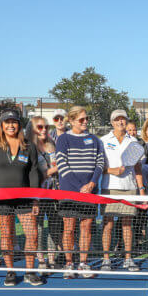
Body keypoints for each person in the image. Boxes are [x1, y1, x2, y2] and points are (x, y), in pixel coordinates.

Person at [0, 110, 43, 287]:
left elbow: (33, 174)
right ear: (1, 125)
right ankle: (10, 271)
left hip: (24, 200)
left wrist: (35, 199)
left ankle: (30, 272)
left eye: (14, 122)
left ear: (19, 124)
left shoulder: (29, 146)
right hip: (0, 199)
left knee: (32, 235)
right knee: (6, 236)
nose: (10, 125)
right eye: (7, 122)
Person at [56, 106, 104, 278]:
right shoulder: (63, 139)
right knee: (68, 228)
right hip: (69, 192)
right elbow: (62, 165)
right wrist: (79, 187)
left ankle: (83, 263)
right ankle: (69, 264)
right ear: (71, 120)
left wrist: (91, 184)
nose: (85, 122)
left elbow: (100, 163)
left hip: (89, 192)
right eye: (81, 119)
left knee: (86, 227)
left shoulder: (95, 139)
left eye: (86, 118)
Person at [99, 109, 145, 272]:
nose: (120, 122)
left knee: (127, 225)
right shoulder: (103, 140)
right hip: (109, 188)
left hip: (129, 188)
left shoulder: (133, 141)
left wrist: (141, 190)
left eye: (123, 120)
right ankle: (106, 259)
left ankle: (128, 258)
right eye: (117, 120)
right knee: (108, 225)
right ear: (112, 123)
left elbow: (137, 168)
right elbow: (98, 167)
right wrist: (112, 171)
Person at [26, 116, 63, 273]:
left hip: (54, 193)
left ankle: (52, 258)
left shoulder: (52, 144)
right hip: (37, 195)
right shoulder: (28, 147)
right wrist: (53, 170)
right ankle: (40, 259)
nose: (43, 130)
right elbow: (32, 174)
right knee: (38, 228)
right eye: (39, 127)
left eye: (46, 127)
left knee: (55, 227)